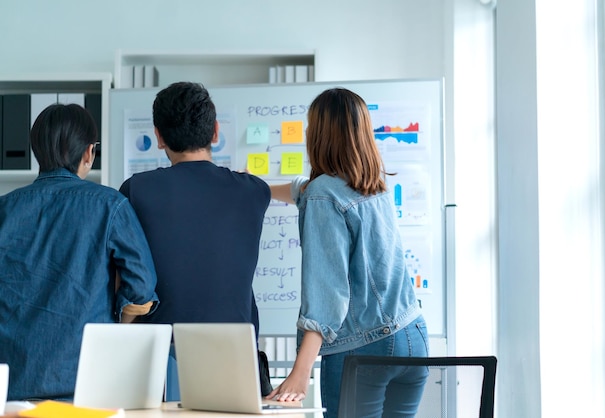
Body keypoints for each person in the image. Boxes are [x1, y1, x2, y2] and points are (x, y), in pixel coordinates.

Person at [266, 88, 430, 418]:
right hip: (412, 338)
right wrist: (251, 187)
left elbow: (328, 293)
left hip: (363, 349)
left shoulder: (323, 196)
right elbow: (302, 187)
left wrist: (300, 373)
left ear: (319, 135)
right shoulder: (373, 185)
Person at [118, 82, 271, 393]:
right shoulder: (254, 191)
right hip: (235, 355)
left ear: (158, 137)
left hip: (157, 355)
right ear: (215, 132)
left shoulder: (137, 190)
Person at [0, 103, 159, 401]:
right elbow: (141, 290)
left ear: (36, 151)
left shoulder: (4, 209)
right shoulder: (111, 206)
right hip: (87, 384)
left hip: (12, 386)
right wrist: (114, 326)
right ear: (89, 152)